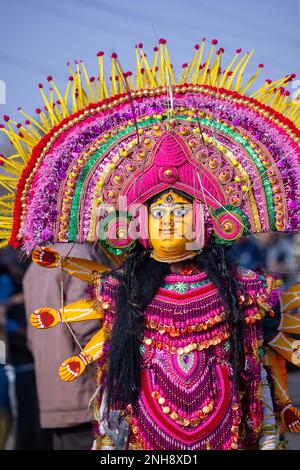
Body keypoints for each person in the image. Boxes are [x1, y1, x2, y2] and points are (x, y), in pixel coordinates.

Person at [1, 38, 300, 450]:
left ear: (207, 222)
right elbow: (116, 375)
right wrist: (107, 438)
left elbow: (252, 369)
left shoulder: (243, 288)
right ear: (137, 223)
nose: (169, 222)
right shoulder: (121, 290)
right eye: (159, 213)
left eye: (180, 212)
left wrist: (268, 432)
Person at [23, 243, 113, 450]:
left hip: (52, 396)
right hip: (82, 394)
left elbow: (32, 334)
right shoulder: (77, 256)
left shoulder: (37, 263)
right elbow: (88, 326)